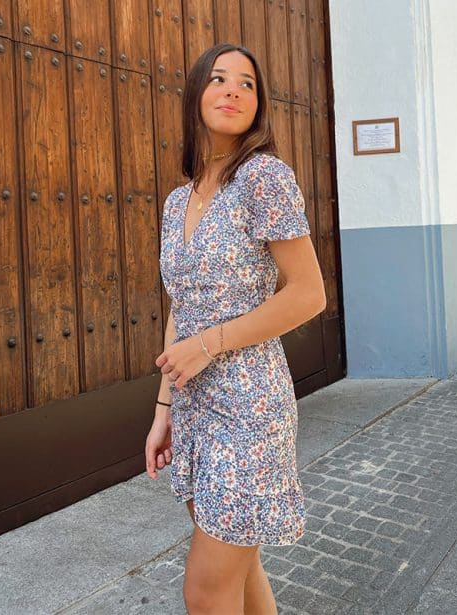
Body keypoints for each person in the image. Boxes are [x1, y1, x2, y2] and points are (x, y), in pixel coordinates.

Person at [144, 42, 326, 615]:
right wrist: (163, 410)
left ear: (259, 103)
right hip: (194, 406)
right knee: (240, 575)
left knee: (205, 588)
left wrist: (210, 344)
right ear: (196, 94)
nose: (233, 90)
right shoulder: (178, 202)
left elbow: (308, 293)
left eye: (247, 83)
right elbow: (182, 303)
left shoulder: (264, 178)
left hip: (249, 406)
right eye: (219, 79)